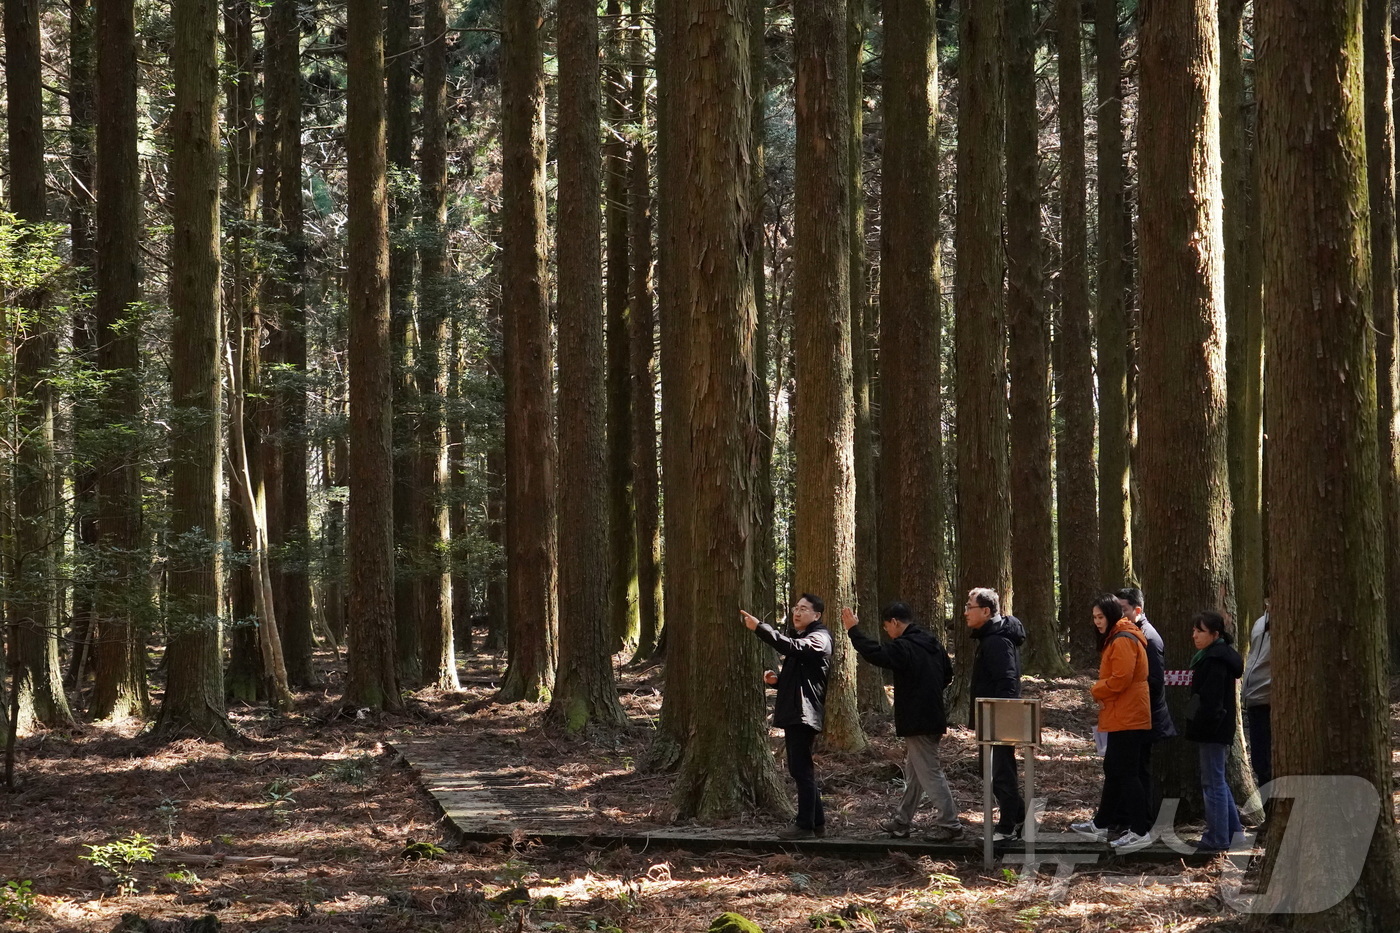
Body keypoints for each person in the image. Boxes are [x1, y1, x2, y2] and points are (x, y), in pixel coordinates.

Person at [842, 602, 964, 843]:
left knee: (929, 772)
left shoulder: (905, 646)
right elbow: (947, 675)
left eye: (887, 626)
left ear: (895, 622)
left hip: (917, 719)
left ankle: (951, 825)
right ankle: (902, 821)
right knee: (915, 773)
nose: (887, 631)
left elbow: (876, 653)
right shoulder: (932, 644)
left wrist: (853, 630)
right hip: (932, 715)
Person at [742, 595, 832, 840]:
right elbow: (802, 675)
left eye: (804, 609)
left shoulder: (819, 638)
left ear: (817, 615)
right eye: (796, 608)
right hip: (797, 711)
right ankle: (817, 822)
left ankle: (805, 825)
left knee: (801, 770)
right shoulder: (805, 637)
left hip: (804, 714)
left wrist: (761, 628)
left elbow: (793, 648)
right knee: (801, 769)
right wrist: (777, 681)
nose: (797, 612)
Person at [1072, 594, 1155, 852]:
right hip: (1122, 715)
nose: (1097, 622)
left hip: (1128, 716)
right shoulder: (1118, 637)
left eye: (1100, 616)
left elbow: (1121, 678)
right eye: (1094, 618)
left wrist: (1097, 689)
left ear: (1110, 614)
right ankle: (1101, 823)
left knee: (1127, 773)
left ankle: (1140, 830)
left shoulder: (1122, 640)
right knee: (1114, 768)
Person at [965, 587, 1027, 841]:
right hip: (990, 716)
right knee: (993, 771)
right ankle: (1021, 819)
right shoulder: (990, 637)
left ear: (986, 611)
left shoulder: (997, 641)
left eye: (970, 607)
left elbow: (1008, 680)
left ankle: (1007, 827)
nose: (965, 612)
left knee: (1000, 772)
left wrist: (1002, 718)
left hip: (999, 717)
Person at [1184, 610, 1245, 853]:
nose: (1195, 635)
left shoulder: (1216, 660)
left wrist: (1202, 722)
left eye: (1200, 631)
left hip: (1212, 730)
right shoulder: (1211, 656)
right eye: (1194, 630)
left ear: (1215, 634)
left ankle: (1216, 838)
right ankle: (1235, 833)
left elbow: (1212, 701)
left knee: (1212, 783)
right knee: (1217, 780)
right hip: (1214, 728)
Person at [1115, 588, 1177, 819]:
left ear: (1137, 610)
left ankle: (1141, 822)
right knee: (1129, 768)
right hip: (1135, 715)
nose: (1119, 615)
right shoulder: (1129, 634)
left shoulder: (1148, 638)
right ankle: (1126, 818)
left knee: (1138, 770)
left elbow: (1155, 682)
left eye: (1123, 610)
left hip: (1144, 716)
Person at [1240, 605, 1271, 789]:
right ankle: (1269, 812)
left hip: (1269, 699)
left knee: (1268, 762)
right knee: (1260, 761)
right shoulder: (1260, 623)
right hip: (1253, 698)